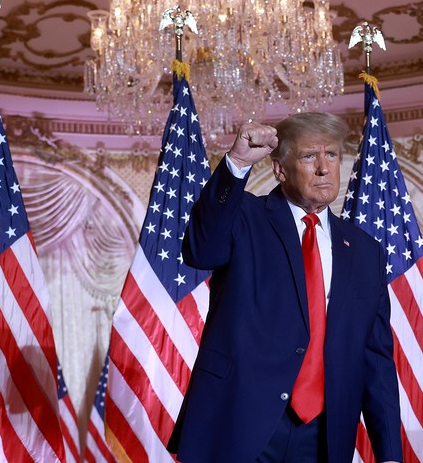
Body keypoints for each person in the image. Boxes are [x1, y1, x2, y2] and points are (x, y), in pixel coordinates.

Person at [168, 112, 402, 462]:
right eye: (309, 156)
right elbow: (201, 250)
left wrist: (390, 454)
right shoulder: (244, 216)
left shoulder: (365, 250)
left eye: (332, 155)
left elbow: (375, 357)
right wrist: (237, 164)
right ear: (280, 169)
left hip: (323, 433)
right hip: (239, 421)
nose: (324, 168)